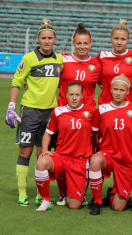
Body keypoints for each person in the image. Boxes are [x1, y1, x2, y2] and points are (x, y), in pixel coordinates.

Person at [5, 18, 63, 206]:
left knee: (43, 153)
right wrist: (11, 106)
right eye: (43, 38)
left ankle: (41, 193)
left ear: (55, 39)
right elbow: (16, 82)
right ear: (38, 40)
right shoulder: (28, 59)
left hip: (50, 113)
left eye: (50, 38)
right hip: (30, 111)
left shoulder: (60, 59)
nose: (47, 41)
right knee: (25, 151)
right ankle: (22, 193)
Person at [55, 23, 102, 206]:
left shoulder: (96, 65)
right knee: (61, 153)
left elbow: (105, 87)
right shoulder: (63, 60)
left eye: (86, 43)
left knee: (86, 156)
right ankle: (62, 193)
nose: (82, 46)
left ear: (90, 44)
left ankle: (80, 192)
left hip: (86, 118)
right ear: (74, 43)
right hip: (64, 115)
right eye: (79, 43)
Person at [88, 74, 132, 215]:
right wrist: (94, 150)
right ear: (110, 90)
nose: (118, 93)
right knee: (95, 160)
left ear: (127, 92)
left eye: (122, 90)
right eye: (115, 89)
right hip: (108, 154)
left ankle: (111, 194)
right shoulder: (102, 109)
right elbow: (94, 133)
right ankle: (97, 202)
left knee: (118, 207)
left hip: (127, 159)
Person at [35, 82, 95, 211]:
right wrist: (45, 150)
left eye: (77, 94)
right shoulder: (58, 111)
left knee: (74, 206)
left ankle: (73, 194)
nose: (74, 97)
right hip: (61, 157)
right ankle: (45, 199)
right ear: (66, 95)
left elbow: (97, 131)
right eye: (71, 94)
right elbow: (48, 133)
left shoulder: (90, 111)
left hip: (80, 160)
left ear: (82, 96)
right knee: (41, 162)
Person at [97, 19, 132, 105]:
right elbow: (86, 66)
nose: (119, 42)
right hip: (106, 104)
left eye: (123, 39)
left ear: (128, 40)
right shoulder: (102, 56)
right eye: (116, 38)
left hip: (129, 104)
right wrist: (65, 56)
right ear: (111, 38)